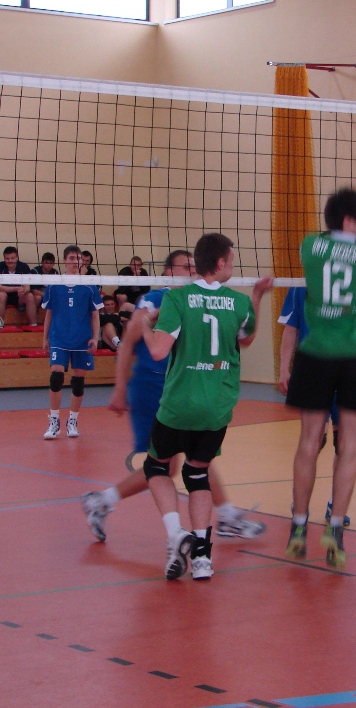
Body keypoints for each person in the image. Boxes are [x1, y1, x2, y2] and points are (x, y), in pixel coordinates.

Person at [81, 249, 266, 544]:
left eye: (194, 265)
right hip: (152, 388)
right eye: (185, 266)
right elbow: (127, 343)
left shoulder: (197, 299)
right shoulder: (156, 299)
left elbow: (241, 337)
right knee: (170, 464)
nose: (192, 270)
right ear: (168, 272)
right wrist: (119, 389)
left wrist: (255, 298)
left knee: (193, 457)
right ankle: (224, 517)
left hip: (182, 389)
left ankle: (103, 500)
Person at [138, 233, 273, 580]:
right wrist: (257, 296)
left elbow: (158, 351)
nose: (233, 266)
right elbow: (247, 339)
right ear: (220, 262)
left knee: (156, 467)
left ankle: (175, 534)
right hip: (217, 407)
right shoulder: (238, 302)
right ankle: (202, 558)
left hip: (180, 404)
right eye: (232, 260)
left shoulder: (177, 299)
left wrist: (144, 325)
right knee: (197, 473)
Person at [285, 188, 356, 570]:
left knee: (308, 441)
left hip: (316, 354)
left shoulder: (310, 247)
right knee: (350, 445)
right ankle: (335, 528)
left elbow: (326, 241)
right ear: (349, 221)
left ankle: (298, 526)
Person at [277, 285, 351, 528]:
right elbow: (291, 328)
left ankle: (336, 504)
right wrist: (284, 369)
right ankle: (300, 501)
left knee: (344, 443)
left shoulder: (355, 281)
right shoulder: (300, 286)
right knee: (313, 439)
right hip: (313, 369)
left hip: (348, 369)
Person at [42, 245, 102, 440]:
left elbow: (95, 315)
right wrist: (44, 337)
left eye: (79, 258)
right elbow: (49, 313)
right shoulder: (54, 285)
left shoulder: (89, 286)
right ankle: (54, 420)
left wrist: (95, 337)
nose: (76, 261)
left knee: (78, 383)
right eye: (72, 258)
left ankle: (72, 421)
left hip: (82, 339)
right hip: (59, 337)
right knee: (56, 378)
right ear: (65, 261)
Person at [0, 246, 37, 327]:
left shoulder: (23, 267)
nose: (10, 261)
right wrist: (16, 288)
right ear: (4, 259)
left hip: (18, 296)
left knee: (29, 296)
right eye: (7, 258)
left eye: (12, 258)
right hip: (4, 295)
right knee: (1, 295)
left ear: (17, 258)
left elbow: (27, 287)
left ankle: (33, 325)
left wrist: (24, 291)